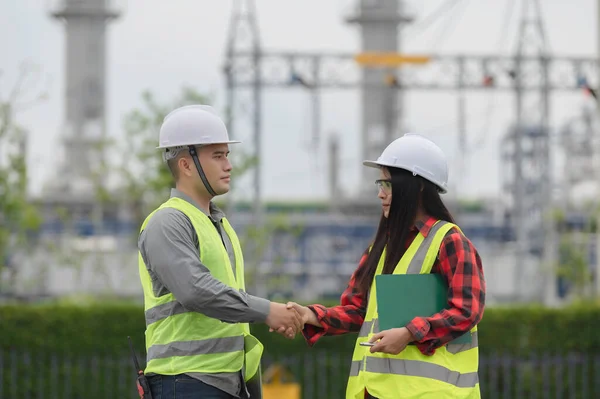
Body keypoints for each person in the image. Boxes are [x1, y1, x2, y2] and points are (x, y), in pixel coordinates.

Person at [285, 133, 486, 399]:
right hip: (375, 391)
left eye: (387, 184)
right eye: (380, 184)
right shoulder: (379, 249)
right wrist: (312, 316)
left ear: (419, 187)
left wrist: (408, 334)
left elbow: (466, 310)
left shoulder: (449, 241)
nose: (380, 194)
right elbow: (359, 310)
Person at [137, 104, 303, 399]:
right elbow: (196, 290)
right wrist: (267, 311)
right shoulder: (167, 222)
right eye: (218, 156)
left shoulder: (218, 223)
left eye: (227, 155)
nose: (229, 165)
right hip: (186, 381)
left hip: (224, 382)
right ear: (186, 165)